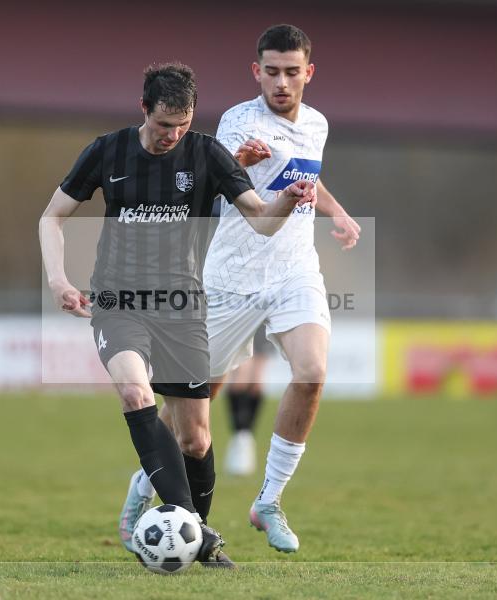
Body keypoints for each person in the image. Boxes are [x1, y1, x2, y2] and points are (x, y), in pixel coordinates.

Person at [40, 62, 317, 568]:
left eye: (183, 124)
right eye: (165, 124)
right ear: (144, 109)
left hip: (184, 306)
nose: (173, 135)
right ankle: (200, 535)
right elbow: (52, 216)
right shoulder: (107, 150)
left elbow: (260, 219)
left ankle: (193, 534)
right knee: (134, 391)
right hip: (119, 302)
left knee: (195, 438)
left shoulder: (207, 152)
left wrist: (286, 199)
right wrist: (58, 279)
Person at [129, 24, 361, 554]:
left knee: (312, 371)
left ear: (309, 73)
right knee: (192, 406)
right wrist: (242, 164)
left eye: (292, 72)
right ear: (257, 72)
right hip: (230, 278)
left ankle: (269, 501)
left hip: (294, 270)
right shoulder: (239, 120)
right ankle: (143, 484)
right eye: (272, 72)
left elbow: (306, 173)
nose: (282, 82)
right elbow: (210, 174)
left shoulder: (318, 124)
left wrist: (337, 211)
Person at [223, 328, 274, 476]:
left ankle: (246, 437)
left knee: (257, 381)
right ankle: (239, 434)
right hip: (240, 316)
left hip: (263, 318)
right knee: (240, 375)